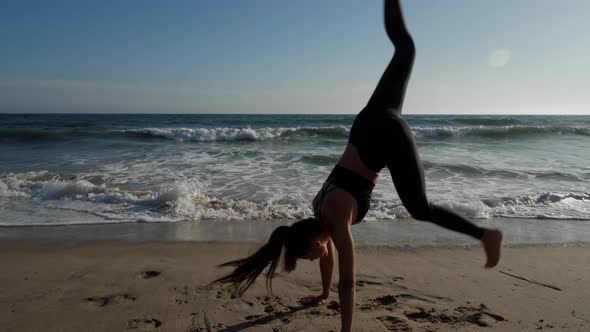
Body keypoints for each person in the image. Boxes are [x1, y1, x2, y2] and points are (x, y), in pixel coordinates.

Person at [213, 1, 503, 331]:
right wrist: (323, 295)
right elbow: (329, 259)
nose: (312, 260)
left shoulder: (336, 221)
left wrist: (345, 329)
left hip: (388, 137)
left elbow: (348, 283)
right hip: (366, 124)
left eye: (307, 257)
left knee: (420, 208)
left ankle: (485, 235)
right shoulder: (319, 206)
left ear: (314, 243)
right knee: (404, 48)